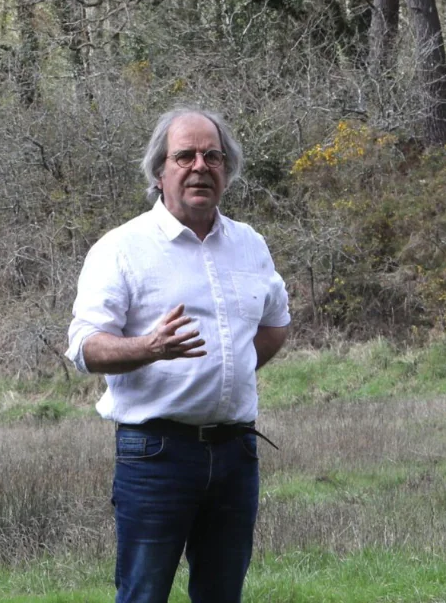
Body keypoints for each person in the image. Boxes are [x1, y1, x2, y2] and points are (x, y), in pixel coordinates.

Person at [65, 108, 290, 603]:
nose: (199, 166)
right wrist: (150, 348)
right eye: (184, 155)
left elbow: (275, 323)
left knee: (222, 594)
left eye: (213, 156)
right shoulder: (121, 248)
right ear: (159, 171)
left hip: (237, 454)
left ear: (226, 170)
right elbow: (84, 346)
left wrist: (230, 366)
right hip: (156, 455)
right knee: (144, 594)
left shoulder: (250, 244)